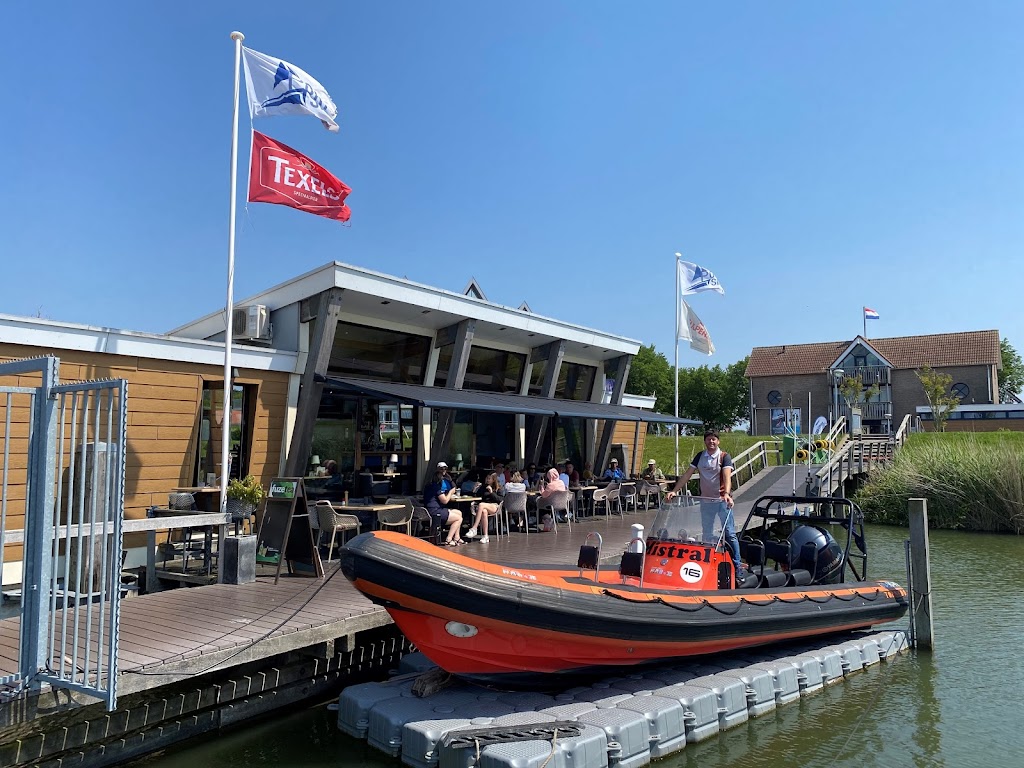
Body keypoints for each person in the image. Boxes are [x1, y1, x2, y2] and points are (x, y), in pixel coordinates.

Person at [665, 431, 742, 575]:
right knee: (707, 533)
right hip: (706, 501)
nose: (711, 442)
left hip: (721, 501)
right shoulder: (700, 456)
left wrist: (726, 494)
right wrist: (674, 490)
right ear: (705, 441)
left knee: (729, 533)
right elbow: (687, 475)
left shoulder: (724, 457)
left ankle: (737, 567)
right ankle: (708, 565)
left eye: (713, 439)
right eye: (708, 439)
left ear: (718, 441)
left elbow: (727, 477)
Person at [423, 461, 464, 545]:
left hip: (430, 510)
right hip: (435, 512)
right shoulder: (436, 487)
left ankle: (457, 537)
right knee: (459, 519)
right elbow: (444, 500)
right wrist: (451, 492)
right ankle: (449, 539)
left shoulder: (429, 485)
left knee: (458, 512)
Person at [464, 472, 500, 543]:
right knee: (484, 511)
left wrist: (491, 492)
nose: (487, 480)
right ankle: (486, 536)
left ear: (493, 480)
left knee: (481, 505)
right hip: (484, 507)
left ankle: (474, 528)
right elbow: (476, 496)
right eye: (487, 478)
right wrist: (475, 489)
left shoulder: (498, 487)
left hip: (494, 506)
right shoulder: (483, 487)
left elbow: (500, 499)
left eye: (489, 478)